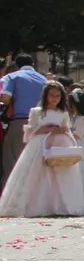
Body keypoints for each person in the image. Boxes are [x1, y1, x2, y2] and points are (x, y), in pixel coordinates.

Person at [0, 81, 84, 217]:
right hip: (40, 145)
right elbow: (30, 132)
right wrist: (47, 129)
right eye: (52, 95)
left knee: (60, 173)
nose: (54, 98)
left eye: (58, 96)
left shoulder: (63, 113)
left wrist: (63, 130)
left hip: (60, 144)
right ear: (46, 96)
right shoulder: (37, 112)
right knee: (37, 173)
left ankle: (61, 205)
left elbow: (67, 129)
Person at [0, 53, 47, 191]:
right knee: (34, 163)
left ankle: (10, 195)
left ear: (16, 65)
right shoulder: (44, 79)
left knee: (12, 162)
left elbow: (6, 98)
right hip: (41, 123)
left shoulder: (12, 77)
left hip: (19, 123)